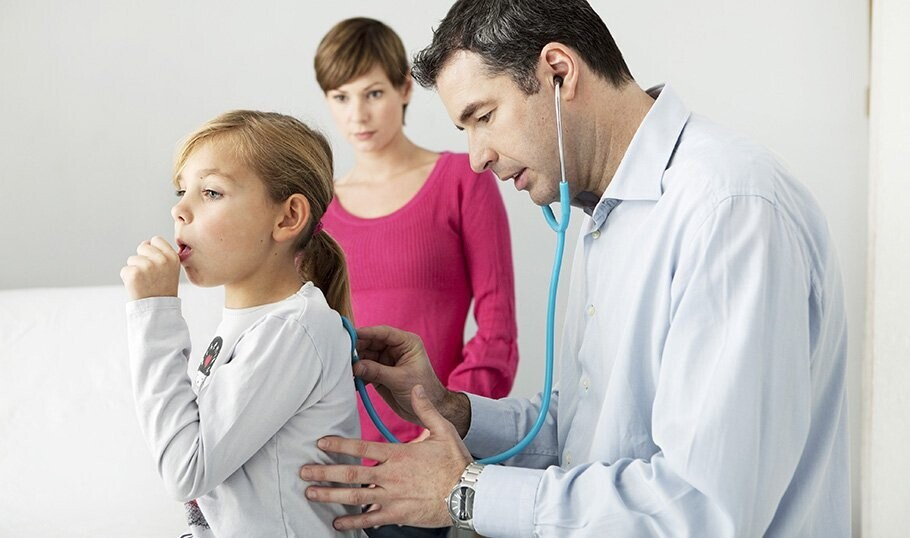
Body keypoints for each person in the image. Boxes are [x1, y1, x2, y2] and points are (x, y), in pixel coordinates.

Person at [299, 0, 851, 536]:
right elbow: (582, 434)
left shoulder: (728, 209)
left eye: (483, 117)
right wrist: (450, 408)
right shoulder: (604, 213)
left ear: (559, 72)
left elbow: (700, 509)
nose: (477, 157)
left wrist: (464, 493)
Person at [313, 18, 520, 537]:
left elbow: (497, 330)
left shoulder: (461, 181)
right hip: (332, 456)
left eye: (373, 93)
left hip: (426, 459)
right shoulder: (317, 211)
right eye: (340, 97)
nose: (357, 114)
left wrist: (440, 432)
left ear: (405, 88)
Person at [121, 110, 364, 537]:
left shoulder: (292, 329)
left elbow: (186, 472)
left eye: (211, 192)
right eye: (182, 190)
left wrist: (155, 312)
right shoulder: (254, 326)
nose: (179, 209)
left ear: (287, 217)